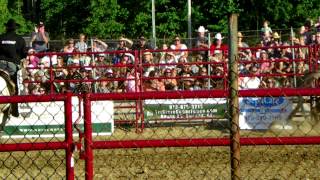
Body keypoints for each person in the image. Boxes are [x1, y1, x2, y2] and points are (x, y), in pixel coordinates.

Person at [0, 19, 27, 117]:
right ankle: (14, 108)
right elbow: (24, 54)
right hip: (11, 65)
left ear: (6, 27)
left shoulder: (0, 37)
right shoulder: (19, 39)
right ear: (15, 28)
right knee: (15, 85)